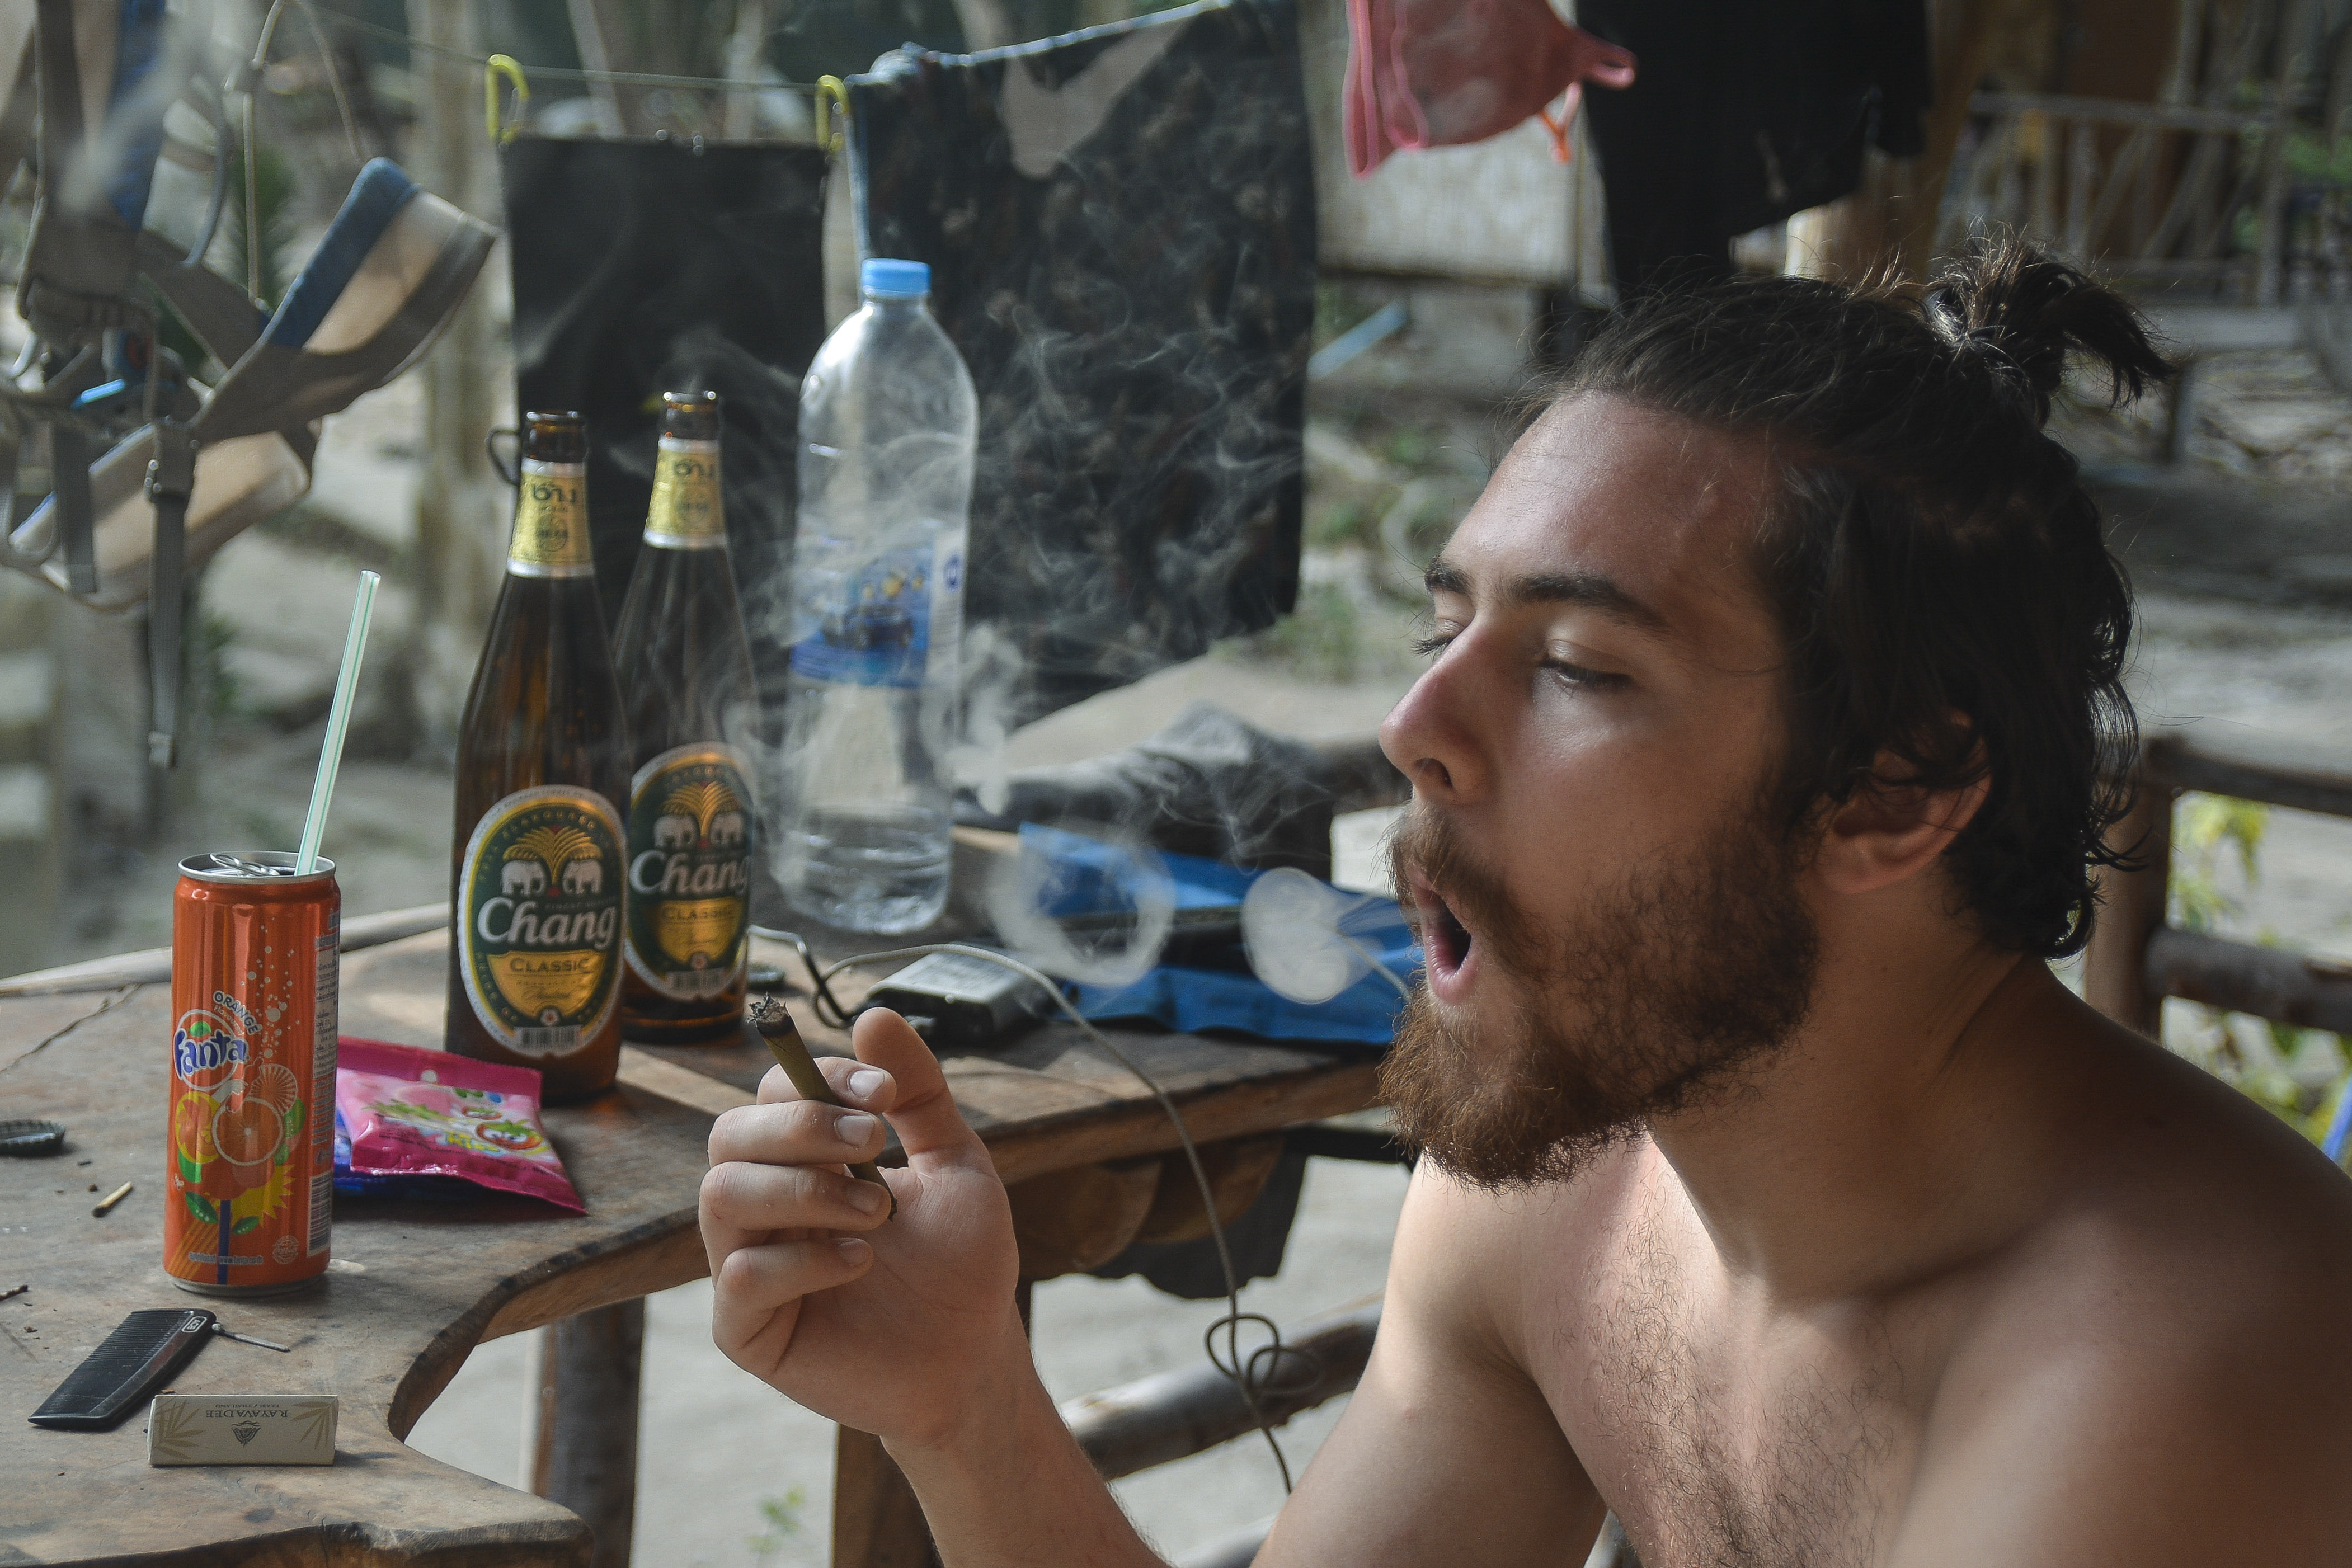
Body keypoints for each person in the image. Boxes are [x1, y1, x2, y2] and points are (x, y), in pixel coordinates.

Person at [700, 237, 2352, 1565]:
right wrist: (967, 1406)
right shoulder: (1577, 1189)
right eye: (1447, 630)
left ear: (1895, 789)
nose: (1413, 727)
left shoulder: (2171, 1381)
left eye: (1575, 665)